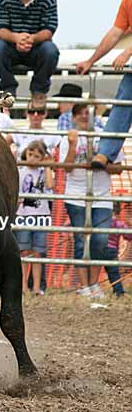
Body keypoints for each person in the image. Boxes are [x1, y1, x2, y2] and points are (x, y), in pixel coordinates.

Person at [60, 104, 124, 299]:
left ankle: (94, 283)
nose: (84, 117)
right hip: (76, 195)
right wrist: (72, 145)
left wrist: (102, 162)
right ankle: (84, 285)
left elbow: (118, 168)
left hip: (101, 196)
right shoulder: (68, 138)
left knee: (100, 241)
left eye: (87, 113)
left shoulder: (106, 137)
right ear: (74, 117)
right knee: (80, 241)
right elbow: (67, 168)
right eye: (79, 114)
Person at [0, 0, 59, 110]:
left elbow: (49, 29)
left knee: (51, 50)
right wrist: (16, 38)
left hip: (37, 48)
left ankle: (39, 91)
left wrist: (31, 39)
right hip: (10, 48)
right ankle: (8, 87)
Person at [76, 0, 132, 170]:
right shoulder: (128, 0)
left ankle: (106, 151)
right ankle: (105, 152)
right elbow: (115, 34)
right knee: (123, 98)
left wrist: (128, 52)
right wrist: (91, 61)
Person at [13, 140, 54, 295]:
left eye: (37, 156)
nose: (32, 158)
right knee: (23, 251)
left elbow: (50, 185)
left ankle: (37, 287)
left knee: (38, 252)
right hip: (23, 215)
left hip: (41, 215)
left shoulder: (44, 172)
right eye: (30, 154)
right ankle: (23, 286)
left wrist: (49, 166)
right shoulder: (20, 170)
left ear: (43, 158)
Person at [105, 202, 130, 297]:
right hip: (112, 250)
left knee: (94, 268)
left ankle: (88, 287)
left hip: (97, 249)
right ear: (118, 212)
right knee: (114, 272)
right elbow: (128, 236)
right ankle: (119, 292)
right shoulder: (119, 224)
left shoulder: (99, 222)